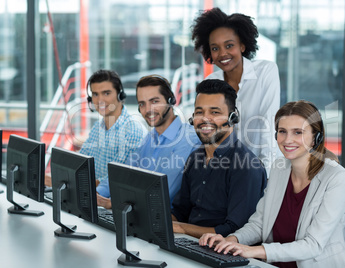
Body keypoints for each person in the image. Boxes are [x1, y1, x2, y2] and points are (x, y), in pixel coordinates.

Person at [199, 100, 345, 268]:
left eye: (297, 132)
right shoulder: (280, 168)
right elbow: (259, 224)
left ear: (317, 137)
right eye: (282, 131)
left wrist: (254, 251)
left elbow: (313, 245)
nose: (288, 140)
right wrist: (230, 240)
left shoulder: (336, 177)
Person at [171, 79, 267, 239]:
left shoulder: (246, 166)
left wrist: (182, 228)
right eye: (199, 112)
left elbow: (234, 229)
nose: (205, 119)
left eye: (215, 112)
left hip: (224, 252)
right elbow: (180, 212)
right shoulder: (195, 157)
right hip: (188, 243)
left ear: (232, 117)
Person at [191, 7, 280, 174]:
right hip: (222, 170)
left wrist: (265, 175)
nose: (222, 53)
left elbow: (268, 125)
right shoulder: (210, 82)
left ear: (243, 45)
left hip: (257, 168)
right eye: (215, 48)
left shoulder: (266, 72)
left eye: (229, 45)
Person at [97, 75, 201, 209]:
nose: (147, 110)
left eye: (154, 101)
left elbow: (162, 193)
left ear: (171, 100)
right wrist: (97, 194)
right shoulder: (149, 139)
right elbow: (123, 175)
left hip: (166, 221)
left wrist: (115, 203)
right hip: (136, 214)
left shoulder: (188, 139)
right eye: (142, 104)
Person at [78, 69, 145, 208]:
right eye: (95, 94)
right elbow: (81, 162)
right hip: (92, 199)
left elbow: (116, 178)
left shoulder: (132, 131)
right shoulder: (98, 127)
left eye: (106, 93)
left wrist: (81, 184)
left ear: (120, 95)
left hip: (114, 205)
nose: (100, 100)